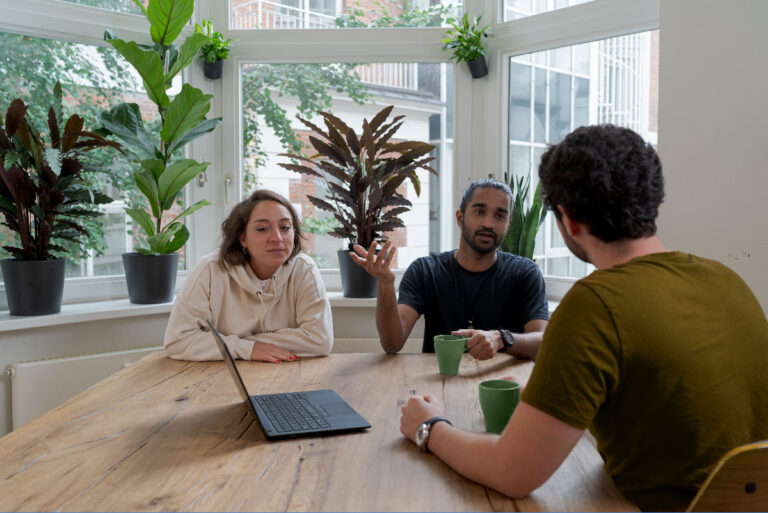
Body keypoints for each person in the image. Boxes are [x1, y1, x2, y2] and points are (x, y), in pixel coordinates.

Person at [397, 125, 768, 511]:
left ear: (569, 222)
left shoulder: (595, 303)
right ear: (652, 200)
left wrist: (430, 426)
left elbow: (511, 474)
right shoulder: (728, 281)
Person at [351, 179, 549, 361]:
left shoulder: (525, 273)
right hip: (438, 386)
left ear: (508, 225)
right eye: (480, 211)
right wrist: (385, 284)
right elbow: (392, 344)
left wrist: (502, 339)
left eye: (499, 215)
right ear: (460, 218)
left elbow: (543, 343)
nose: (489, 224)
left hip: (501, 387)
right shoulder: (425, 271)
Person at [164, 189, 333, 362]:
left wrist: (236, 343)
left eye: (285, 227)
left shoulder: (304, 269)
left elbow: (320, 340)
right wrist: (246, 348)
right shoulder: (210, 269)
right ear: (242, 238)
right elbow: (177, 341)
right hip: (220, 377)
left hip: (287, 373)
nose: (277, 237)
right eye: (262, 229)